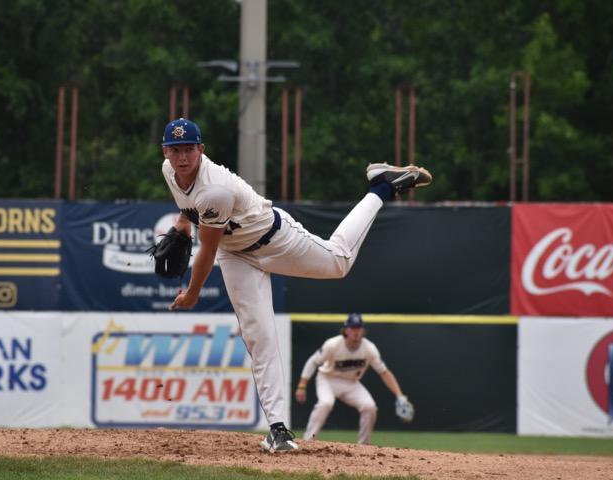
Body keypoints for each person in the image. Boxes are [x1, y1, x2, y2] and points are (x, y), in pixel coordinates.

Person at [160, 118, 431, 452]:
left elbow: (208, 249)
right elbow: (189, 205)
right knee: (260, 337)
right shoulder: (169, 170)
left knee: (339, 262)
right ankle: (277, 429)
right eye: (175, 150)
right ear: (165, 152)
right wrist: (183, 224)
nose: (182, 157)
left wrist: (192, 294)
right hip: (237, 256)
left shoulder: (215, 189)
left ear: (201, 149)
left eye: (189, 149)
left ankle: (382, 187)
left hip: (274, 239)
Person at [294, 313, 411, 445]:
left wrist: (399, 395)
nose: (356, 332)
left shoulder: (369, 349)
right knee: (325, 403)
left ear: (363, 330)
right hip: (327, 379)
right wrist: (302, 385)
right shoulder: (333, 344)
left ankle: (364, 446)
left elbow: (384, 372)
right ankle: (308, 441)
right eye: (352, 328)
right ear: (346, 330)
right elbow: (313, 362)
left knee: (369, 407)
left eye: (359, 328)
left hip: (351, 383)